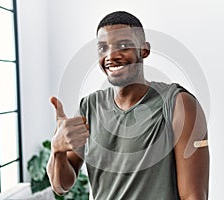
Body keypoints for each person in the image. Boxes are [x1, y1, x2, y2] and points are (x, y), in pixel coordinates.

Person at [47, 11, 209, 200]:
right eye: (103, 48)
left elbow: (194, 196)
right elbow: (61, 186)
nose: (111, 55)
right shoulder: (89, 106)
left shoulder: (179, 104)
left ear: (144, 50)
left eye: (123, 46)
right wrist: (57, 150)